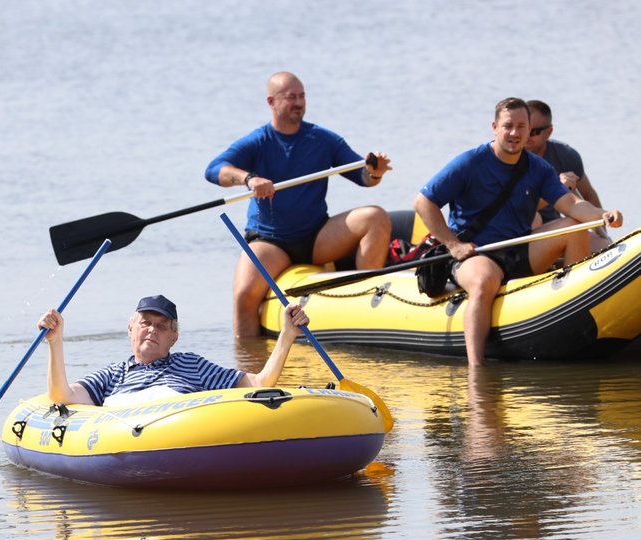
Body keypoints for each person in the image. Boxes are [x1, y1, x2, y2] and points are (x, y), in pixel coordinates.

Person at [412, 97, 623, 367]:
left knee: (574, 226)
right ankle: (476, 368)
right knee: (484, 280)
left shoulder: (538, 168)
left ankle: (571, 310)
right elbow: (422, 202)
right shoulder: (469, 162)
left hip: (519, 250)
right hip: (476, 253)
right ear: (495, 127)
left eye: (522, 126)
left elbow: (571, 204)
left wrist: (602, 216)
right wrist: (453, 245)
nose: (515, 133)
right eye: (508, 126)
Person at [204, 71, 393, 337]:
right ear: (271, 102)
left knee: (375, 216)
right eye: (290, 97)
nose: (299, 102)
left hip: (316, 237)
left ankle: (370, 302)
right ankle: (247, 363)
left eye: (302, 96)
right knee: (244, 295)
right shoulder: (258, 141)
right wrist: (249, 179)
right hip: (271, 241)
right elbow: (214, 170)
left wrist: (376, 172)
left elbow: (362, 177)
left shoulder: (323, 139)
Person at [37, 294, 309, 406]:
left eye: (162, 326)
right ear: (130, 329)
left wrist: (286, 335)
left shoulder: (192, 365)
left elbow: (261, 383)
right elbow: (62, 396)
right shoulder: (112, 375)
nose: (152, 330)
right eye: (145, 323)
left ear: (174, 338)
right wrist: (55, 341)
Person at [525, 99, 612, 252]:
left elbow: (588, 195)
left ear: (549, 132)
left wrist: (604, 221)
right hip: (523, 232)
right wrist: (558, 188)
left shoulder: (565, 155)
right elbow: (520, 210)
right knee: (535, 218)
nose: (526, 137)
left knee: (603, 245)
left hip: (554, 226)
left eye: (534, 132)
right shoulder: (510, 160)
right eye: (524, 129)